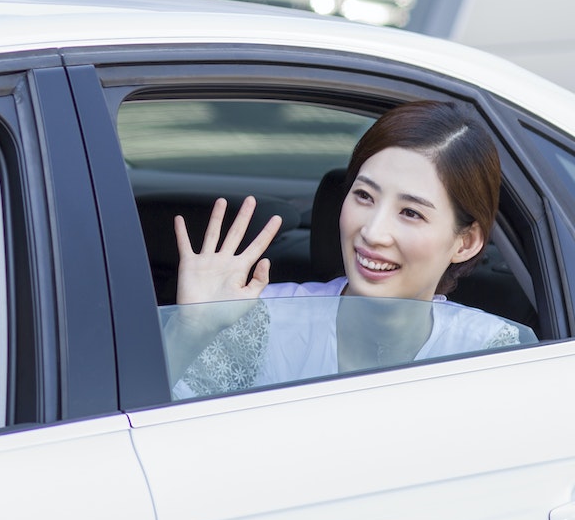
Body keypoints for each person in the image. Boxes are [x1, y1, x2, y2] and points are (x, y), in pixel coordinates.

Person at [167, 100, 526, 400]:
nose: (372, 232)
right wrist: (189, 330)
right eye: (364, 196)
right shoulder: (261, 319)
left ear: (466, 242)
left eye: (410, 213)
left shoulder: (493, 350)